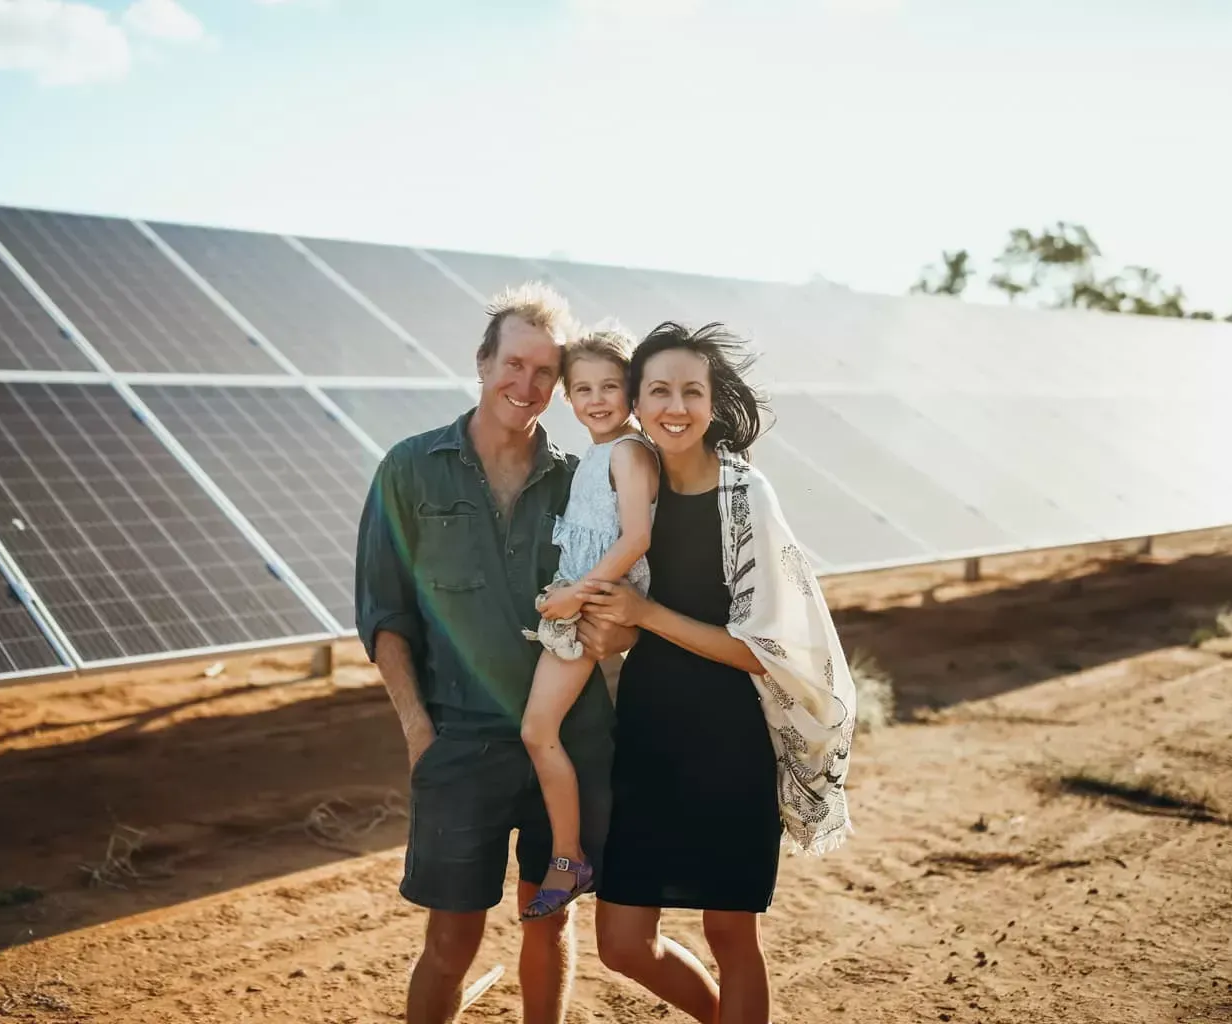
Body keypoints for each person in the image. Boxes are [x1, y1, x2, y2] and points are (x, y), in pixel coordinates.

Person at [354, 283, 636, 1024]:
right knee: (450, 939)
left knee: (551, 923)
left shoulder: (584, 483)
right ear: (482, 363)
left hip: (569, 746)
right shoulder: (410, 471)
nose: (527, 385)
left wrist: (616, 630)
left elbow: (620, 608)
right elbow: (385, 616)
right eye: (514, 364)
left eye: (546, 373)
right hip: (458, 744)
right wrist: (419, 734)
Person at [581, 321, 857, 1024]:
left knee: (731, 932)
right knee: (621, 942)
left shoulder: (747, 497)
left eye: (692, 390)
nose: (677, 406)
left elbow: (764, 651)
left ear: (712, 401)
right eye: (660, 390)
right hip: (647, 731)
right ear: (636, 402)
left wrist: (646, 615)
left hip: (733, 738)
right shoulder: (627, 480)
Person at [517, 324, 659, 921]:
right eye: (583, 389)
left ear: (630, 390)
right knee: (546, 730)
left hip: (598, 597)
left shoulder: (627, 452)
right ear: (568, 398)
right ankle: (571, 852)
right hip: (586, 591)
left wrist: (576, 595)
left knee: (536, 730)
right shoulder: (600, 454)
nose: (597, 399)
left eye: (610, 386)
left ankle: (569, 858)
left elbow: (636, 537)